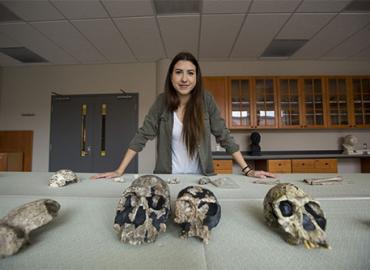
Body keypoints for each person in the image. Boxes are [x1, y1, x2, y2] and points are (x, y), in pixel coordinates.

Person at [92, 52, 275, 179]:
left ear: (196, 77)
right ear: (171, 76)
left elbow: (224, 136)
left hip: (201, 178)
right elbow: (142, 136)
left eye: (190, 73)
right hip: (168, 178)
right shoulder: (161, 102)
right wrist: (119, 171)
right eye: (178, 72)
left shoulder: (206, 100)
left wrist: (247, 170)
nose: (184, 79)